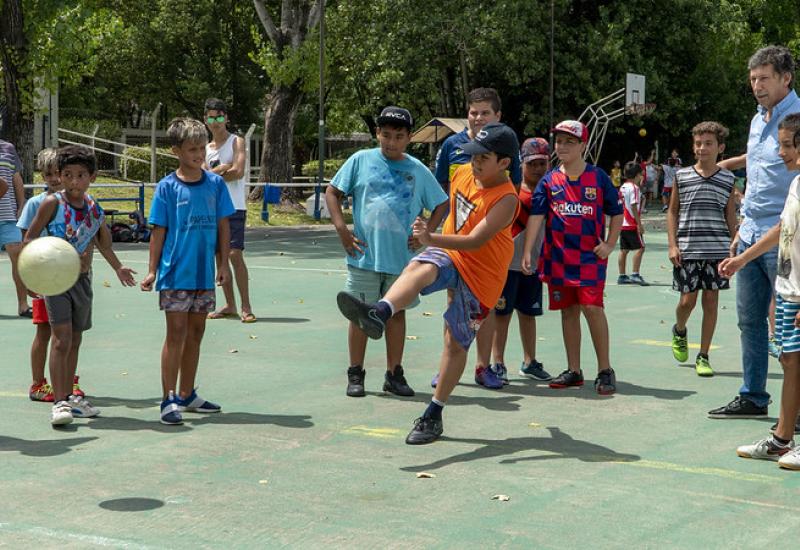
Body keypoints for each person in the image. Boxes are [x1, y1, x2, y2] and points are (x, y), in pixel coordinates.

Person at [336, 122, 519, 444]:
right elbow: (444, 210)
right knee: (419, 265)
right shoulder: (462, 172)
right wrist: (430, 236)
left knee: (455, 343)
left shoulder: (506, 199)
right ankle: (380, 311)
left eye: (483, 158)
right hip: (451, 253)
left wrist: (429, 235)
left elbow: (476, 240)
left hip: (483, 276)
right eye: (474, 155)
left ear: (504, 163)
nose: (475, 163)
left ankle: (434, 414)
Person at [325, 106, 448, 398]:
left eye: (399, 136)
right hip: (364, 254)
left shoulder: (418, 170)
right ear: (377, 133)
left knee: (396, 314)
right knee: (358, 314)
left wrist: (425, 235)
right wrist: (342, 230)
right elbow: (333, 192)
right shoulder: (360, 160)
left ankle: (394, 373)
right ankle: (356, 372)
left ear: (409, 139)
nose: (391, 142)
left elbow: (442, 203)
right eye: (386, 135)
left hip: (402, 260)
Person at [710, 45, 800, 419]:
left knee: (788, 326)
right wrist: (741, 227)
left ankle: (793, 409)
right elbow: (759, 162)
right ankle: (753, 395)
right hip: (751, 231)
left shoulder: (797, 119)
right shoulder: (757, 120)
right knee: (749, 319)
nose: (757, 85)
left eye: (764, 78)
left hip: (786, 237)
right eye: (752, 79)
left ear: (785, 78)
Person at [24, 145, 136, 426]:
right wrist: (30, 274)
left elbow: (104, 243)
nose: (75, 181)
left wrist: (118, 267)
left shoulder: (93, 207)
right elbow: (29, 239)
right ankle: (59, 401)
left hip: (82, 280)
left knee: (75, 338)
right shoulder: (52, 204)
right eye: (68, 175)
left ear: (92, 177)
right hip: (56, 281)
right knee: (60, 338)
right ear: (60, 177)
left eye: (81, 175)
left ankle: (71, 397)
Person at [141, 118, 235, 425]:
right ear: (176, 151)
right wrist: (152, 270)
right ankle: (168, 398)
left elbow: (224, 226)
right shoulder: (167, 188)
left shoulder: (216, 184)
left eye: (201, 148)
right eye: (192, 149)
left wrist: (223, 264)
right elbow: (158, 231)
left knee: (197, 332)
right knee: (176, 334)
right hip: (174, 274)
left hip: (202, 274)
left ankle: (187, 394)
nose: (198, 154)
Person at [720, 113, 800, 468]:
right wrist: (742, 259)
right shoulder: (796, 184)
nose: (779, 153)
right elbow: (782, 229)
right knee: (788, 359)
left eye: (786, 145)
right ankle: (783, 439)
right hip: (788, 288)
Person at [522, 120, 623, 395]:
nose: (562, 146)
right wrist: (529, 251)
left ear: (583, 145)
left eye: (569, 141)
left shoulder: (598, 177)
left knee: (593, 309)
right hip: (558, 259)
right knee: (568, 312)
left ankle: (605, 370)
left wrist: (610, 243)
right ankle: (574, 370)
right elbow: (537, 217)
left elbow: (617, 212)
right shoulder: (549, 180)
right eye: (559, 141)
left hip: (590, 258)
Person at [432, 87, 521, 390]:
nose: (478, 117)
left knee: (486, 303)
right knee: (453, 300)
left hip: (489, 244)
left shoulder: (507, 147)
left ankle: (483, 366)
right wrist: (434, 229)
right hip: (455, 240)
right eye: (474, 112)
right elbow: (441, 192)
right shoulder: (451, 146)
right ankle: (447, 364)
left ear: (498, 116)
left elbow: (512, 193)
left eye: (485, 113)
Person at [667, 122, 736, 377]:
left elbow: (731, 216)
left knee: (711, 300)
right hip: (687, 249)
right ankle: (680, 329)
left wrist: (734, 247)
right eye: (698, 143)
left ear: (721, 147)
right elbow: (673, 211)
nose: (702, 148)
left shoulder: (728, 179)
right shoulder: (681, 176)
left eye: (708, 143)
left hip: (717, 249)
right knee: (687, 301)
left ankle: (703, 355)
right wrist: (673, 244)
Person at [16, 148, 85, 402]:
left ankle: (68, 381)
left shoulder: (78, 203)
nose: (54, 179)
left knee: (70, 333)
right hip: (45, 279)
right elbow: (26, 240)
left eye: (58, 173)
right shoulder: (38, 204)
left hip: (68, 278)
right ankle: (38, 383)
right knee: (45, 332)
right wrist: (28, 278)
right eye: (48, 174)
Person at [490, 137, 552, 382]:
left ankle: (530, 361)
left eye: (542, 163)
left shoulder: (550, 193)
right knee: (501, 315)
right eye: (532, 163)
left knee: (529, 313)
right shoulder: (510, 191)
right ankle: (498, 363)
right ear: (521, 164)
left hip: (532, 266)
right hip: (506, 265)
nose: (537, 168)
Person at [203, 98, 256, 323]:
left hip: (234, 206)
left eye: (219, 117)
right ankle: (230, 305)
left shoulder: (237, 142)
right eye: (211, 117)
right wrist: (223, 169)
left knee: (234, 254)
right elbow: (203, 176)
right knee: (219, 256)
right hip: (211, 209)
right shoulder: (205, 148)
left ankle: (246, 306)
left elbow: (239, 172)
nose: (215, 122)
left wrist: (219, 171)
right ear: (205, 120)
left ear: (226, 118)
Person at [0, 138, 30, 317]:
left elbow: (16, 178)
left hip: (8, 215)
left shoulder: (7, 148)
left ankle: (23, 305)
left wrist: (21, 206)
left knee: (18, 255)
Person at [617, 161, 648, 286]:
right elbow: (634, 206)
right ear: (637, 175)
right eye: (641, 174)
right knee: (640, 248)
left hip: (622, 223)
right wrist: (639, 224)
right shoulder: (634, 188)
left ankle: (622, 275)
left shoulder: (623, 187)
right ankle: (635, 274)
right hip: (631, 223)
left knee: (624, 249)